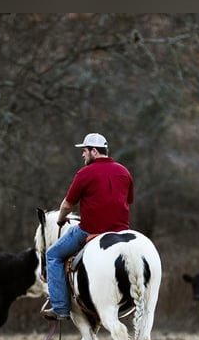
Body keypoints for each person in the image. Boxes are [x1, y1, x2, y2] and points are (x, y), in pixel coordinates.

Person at [41, 132, 134, 320]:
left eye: (84, 151)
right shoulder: (124, 172)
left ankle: (60, 307)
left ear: (94, 151)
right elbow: (128, 200)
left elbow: (67, 205)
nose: (83, 155)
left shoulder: (85, 173)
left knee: (52, 255)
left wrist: (60, 219)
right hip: (122, 232)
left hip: (90, 230)